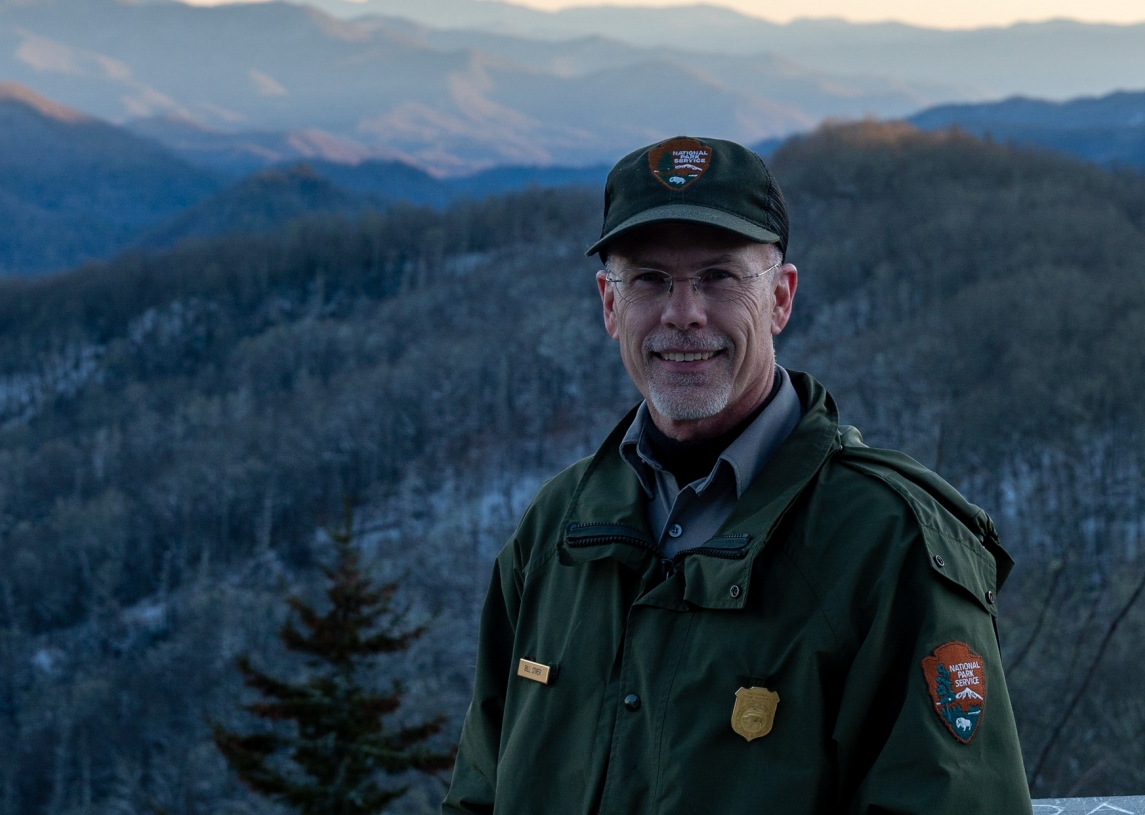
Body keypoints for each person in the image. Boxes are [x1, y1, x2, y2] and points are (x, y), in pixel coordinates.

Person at [442, 135, 1033, 814]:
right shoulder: (556, 532)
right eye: (649, 279)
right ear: (610, 305)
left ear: (780, 298)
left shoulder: (888, 544)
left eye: (720, 276)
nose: (684, 312)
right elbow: (479, 793)